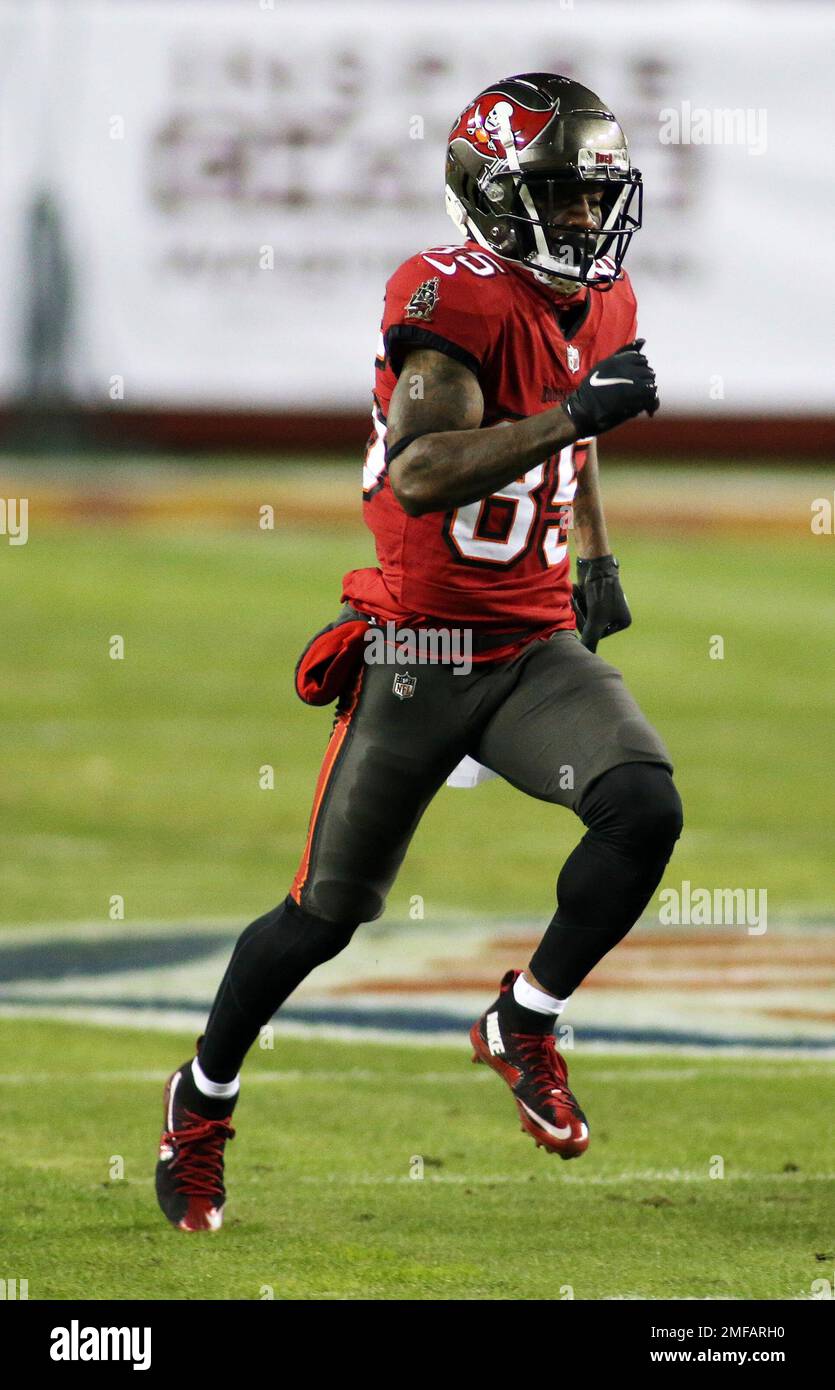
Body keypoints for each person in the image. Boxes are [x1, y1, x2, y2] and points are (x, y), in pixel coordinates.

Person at [155, 72, 682, 1232]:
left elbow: (571, 434)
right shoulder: (447, 298)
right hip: (421, 645)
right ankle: (201, 1100)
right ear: (491, 197)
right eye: (559, 195)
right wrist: (574, 418)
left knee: (642, 805)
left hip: (531, 639)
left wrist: (593, 556)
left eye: (596, 197)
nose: (587, 222)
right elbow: (423, 470)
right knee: (323, 915)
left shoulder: (602, 298)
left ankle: (525, 1018)